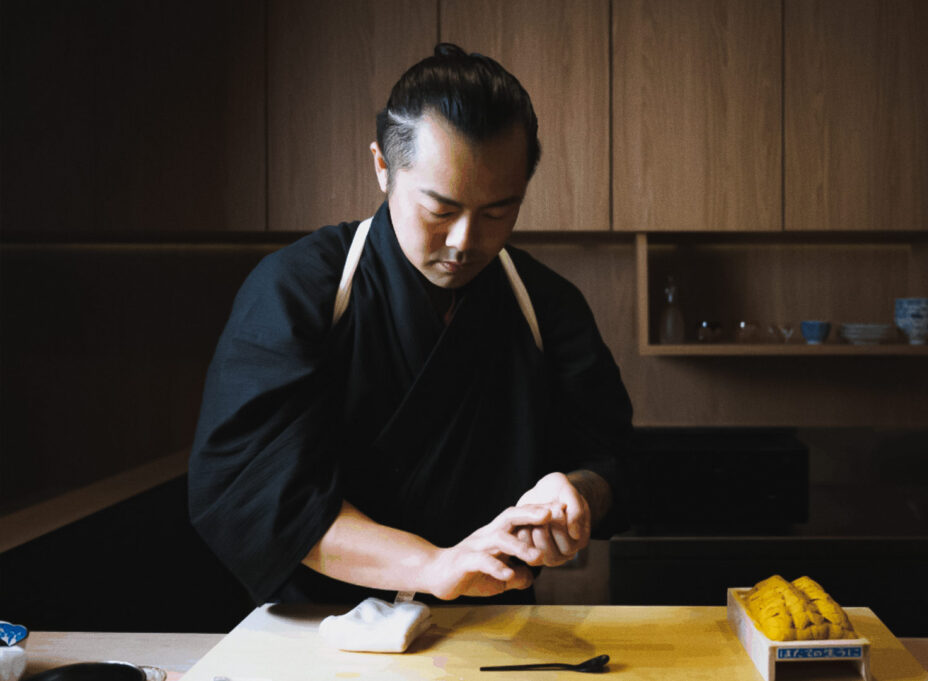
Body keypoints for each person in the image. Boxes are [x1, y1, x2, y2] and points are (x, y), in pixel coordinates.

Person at [188, 43, 633, 606]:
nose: (465, 242)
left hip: (493, 632)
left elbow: (610, 459)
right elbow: (252, 491)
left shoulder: (546, 305)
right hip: (318, 631)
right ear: (383, 166)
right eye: (441, 210)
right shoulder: (298, 290)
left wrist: (574, 496)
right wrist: (431, 566)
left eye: (498, 212)